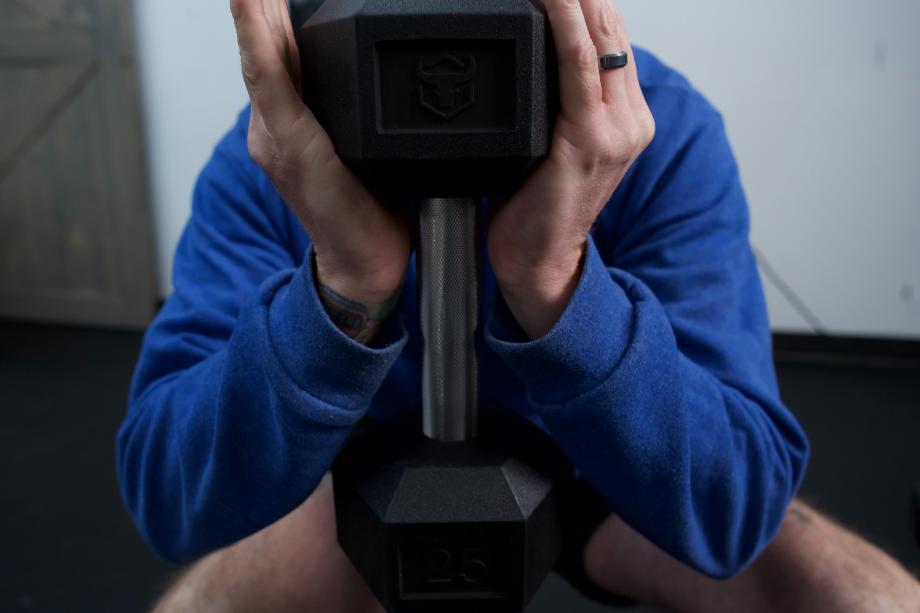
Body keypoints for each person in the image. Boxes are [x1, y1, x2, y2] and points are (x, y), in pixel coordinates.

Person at [116, 0, 920, 610]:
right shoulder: (277, 157)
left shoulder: (660, 133)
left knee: (873, 600)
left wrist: (552, 277)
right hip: (357, 457)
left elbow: (734, 507)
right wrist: (348, 284)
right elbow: (170, 495)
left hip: (600, 458)